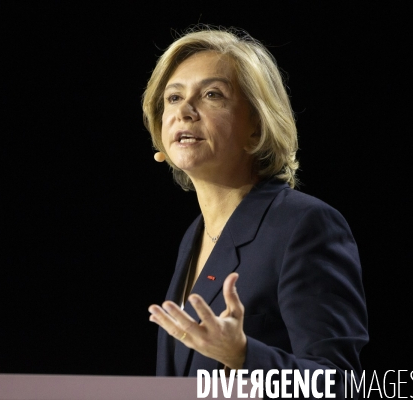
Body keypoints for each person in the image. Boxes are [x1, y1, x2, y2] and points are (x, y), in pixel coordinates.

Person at [143, 27, 368, 397]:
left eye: (212, 94)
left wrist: (243, 355)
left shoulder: (304, 225)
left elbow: (340, 384)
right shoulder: (193, 236)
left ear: (256, 128)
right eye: (173, 97)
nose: (184, 110)